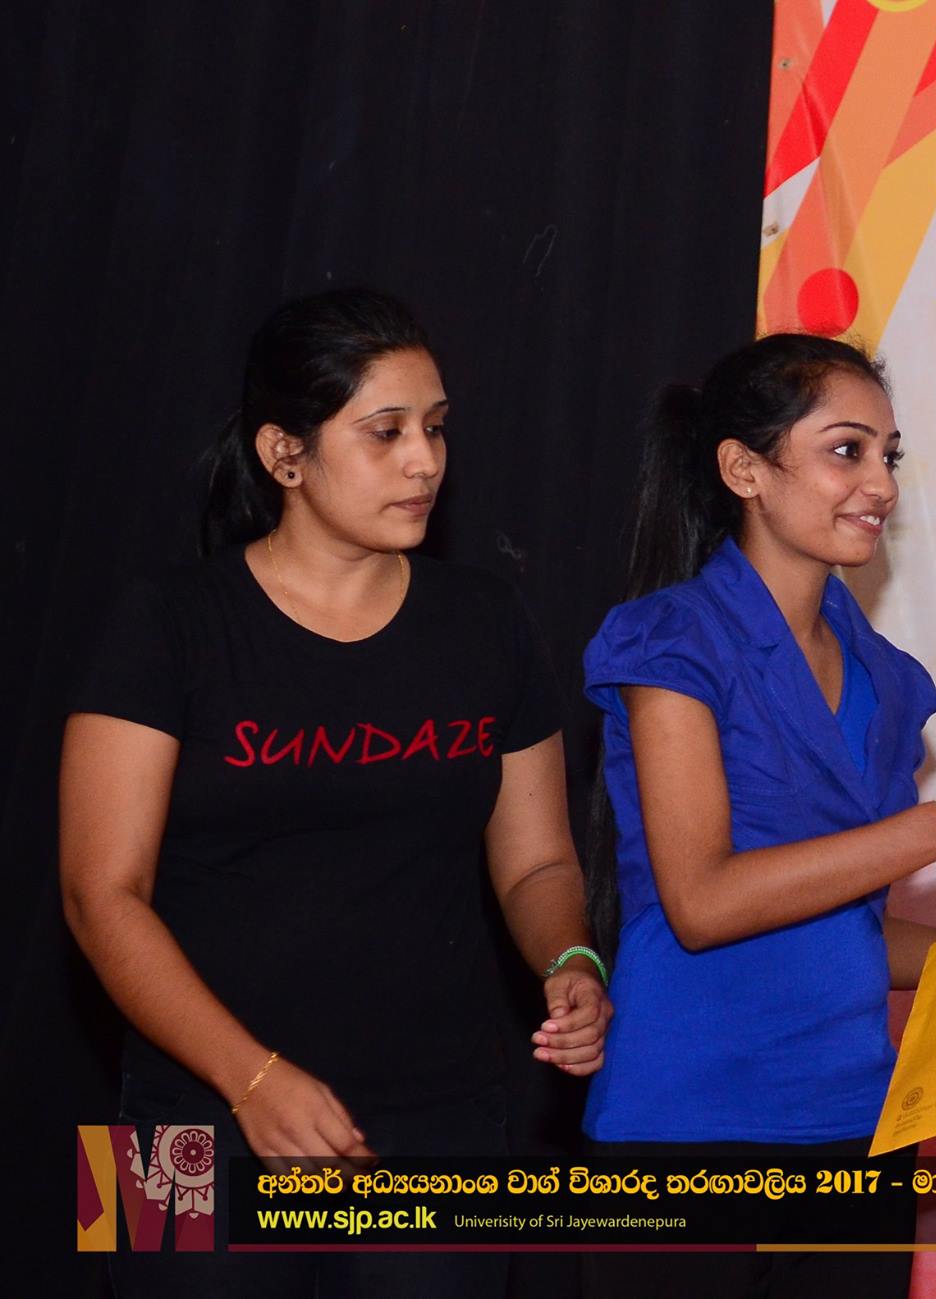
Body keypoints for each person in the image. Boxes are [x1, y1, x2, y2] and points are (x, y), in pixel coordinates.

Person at [60, 288, 610, 1298]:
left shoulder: (487, 620)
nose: (426, 461)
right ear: (285, 453)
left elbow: (537, 859)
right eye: (386, 431)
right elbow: (99, 896)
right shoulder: (166, 620)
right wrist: (251, 1079)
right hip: (181, 1114)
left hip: (441, 1116)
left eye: (436, 427)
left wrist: (569, 958)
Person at [578, 333, 936, 1299]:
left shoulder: (888, 680)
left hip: (858, 1128)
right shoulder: (672, 641)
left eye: (889, 455)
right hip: (688, 1123)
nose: (882, 485)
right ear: (743, 469)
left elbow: (850, 931)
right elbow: (702, 902)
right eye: (846, 450)